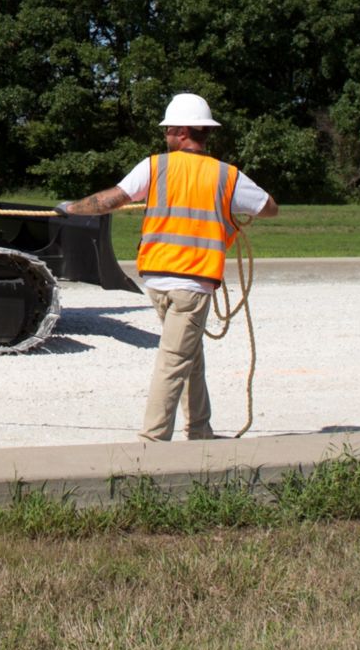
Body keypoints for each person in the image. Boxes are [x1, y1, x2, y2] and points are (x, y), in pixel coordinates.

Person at [59, 92, 272, 441]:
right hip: (193, 284)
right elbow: (269, 207)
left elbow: (112, 199)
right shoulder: (226, 176)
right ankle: (162, 438)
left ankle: (172, 438)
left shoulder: (154, 166)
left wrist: (72, 208)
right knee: (178, 358)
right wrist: (232, 211)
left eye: (169, 129)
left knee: (183, 357)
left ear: (184, 132)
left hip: (159, 283)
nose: (166, 135)